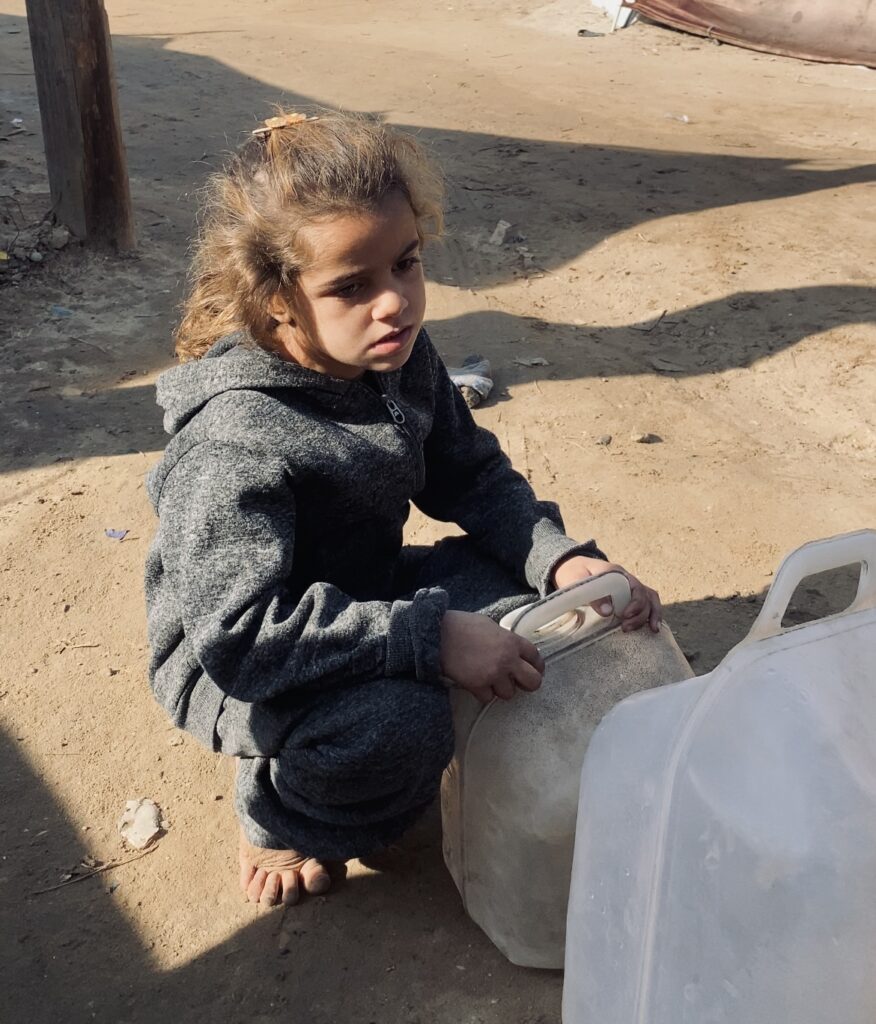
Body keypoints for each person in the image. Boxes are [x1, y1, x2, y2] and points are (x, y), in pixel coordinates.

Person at [144, 110, 661, 908]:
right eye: (351, 285)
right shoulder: (233, 442)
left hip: (360, 589)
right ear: (277, 299)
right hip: (244, 661)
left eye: (406, 265)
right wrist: (432, 638)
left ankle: (435, 661)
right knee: (403, 727)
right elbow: (240, 639)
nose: (394, 303)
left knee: (545, 611)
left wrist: (559, 558)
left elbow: (471, 478)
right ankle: (278, 810)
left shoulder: (399, 357)